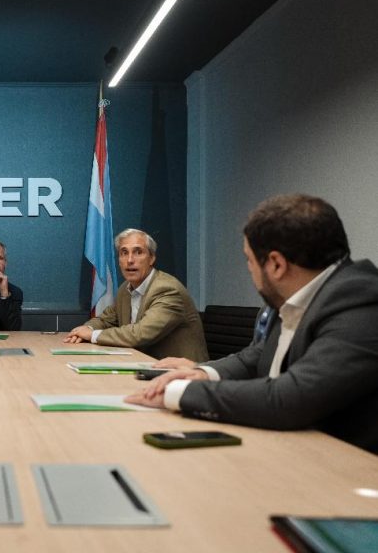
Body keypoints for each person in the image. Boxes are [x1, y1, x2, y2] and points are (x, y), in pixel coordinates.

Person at [126, 194, 378, 454]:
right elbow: (257, 355)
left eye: (249, 259)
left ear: (277, 265)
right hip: (291, 447)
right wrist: (204, 373)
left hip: (344, 463)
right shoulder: (301, 295)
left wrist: (181, 393)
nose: (249, 269)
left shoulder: (360, 301)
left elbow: (290, 399)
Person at [64, 229, 208, 362]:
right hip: (143, 365)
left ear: (151, 258)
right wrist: (86, 330)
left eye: (138, 252)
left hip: (181, 374)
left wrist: (92, 335)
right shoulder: (125, 289)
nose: (130, 260)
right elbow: (105, 320)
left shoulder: (167, 290)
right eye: (124, 253)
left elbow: (140, 334)